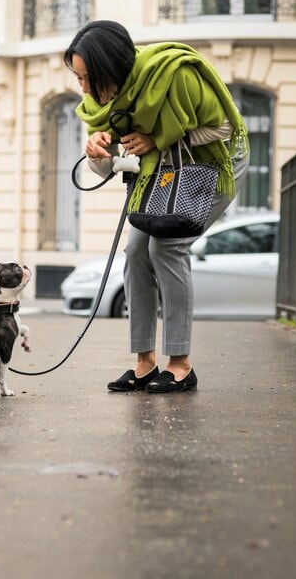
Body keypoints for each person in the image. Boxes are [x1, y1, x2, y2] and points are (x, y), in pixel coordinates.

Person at [64, 20, 250, 394]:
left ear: (111, 70)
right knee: (135, 251)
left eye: (88, 78)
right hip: (164, 172)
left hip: (213, 164)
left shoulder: (173, 74)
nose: (82, 88)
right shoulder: (101, 100)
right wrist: (99, 148)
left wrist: (158, 140)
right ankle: (144, 362)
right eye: (78, 77)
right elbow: (109, 164)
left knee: (166, 247)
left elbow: (226, 128)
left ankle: (181, 364)